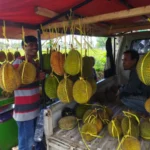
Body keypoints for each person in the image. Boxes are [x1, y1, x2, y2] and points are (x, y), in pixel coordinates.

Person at [12, 36, 46, 150]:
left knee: (38, 140)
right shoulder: (18, 62)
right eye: (30, 44)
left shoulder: (35, 64)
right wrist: (36, 79)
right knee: (26, 144)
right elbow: (14, 84)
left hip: (36, 109)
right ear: (23, 46)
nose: (35, 47)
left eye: (35, 44)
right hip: (24, 112)